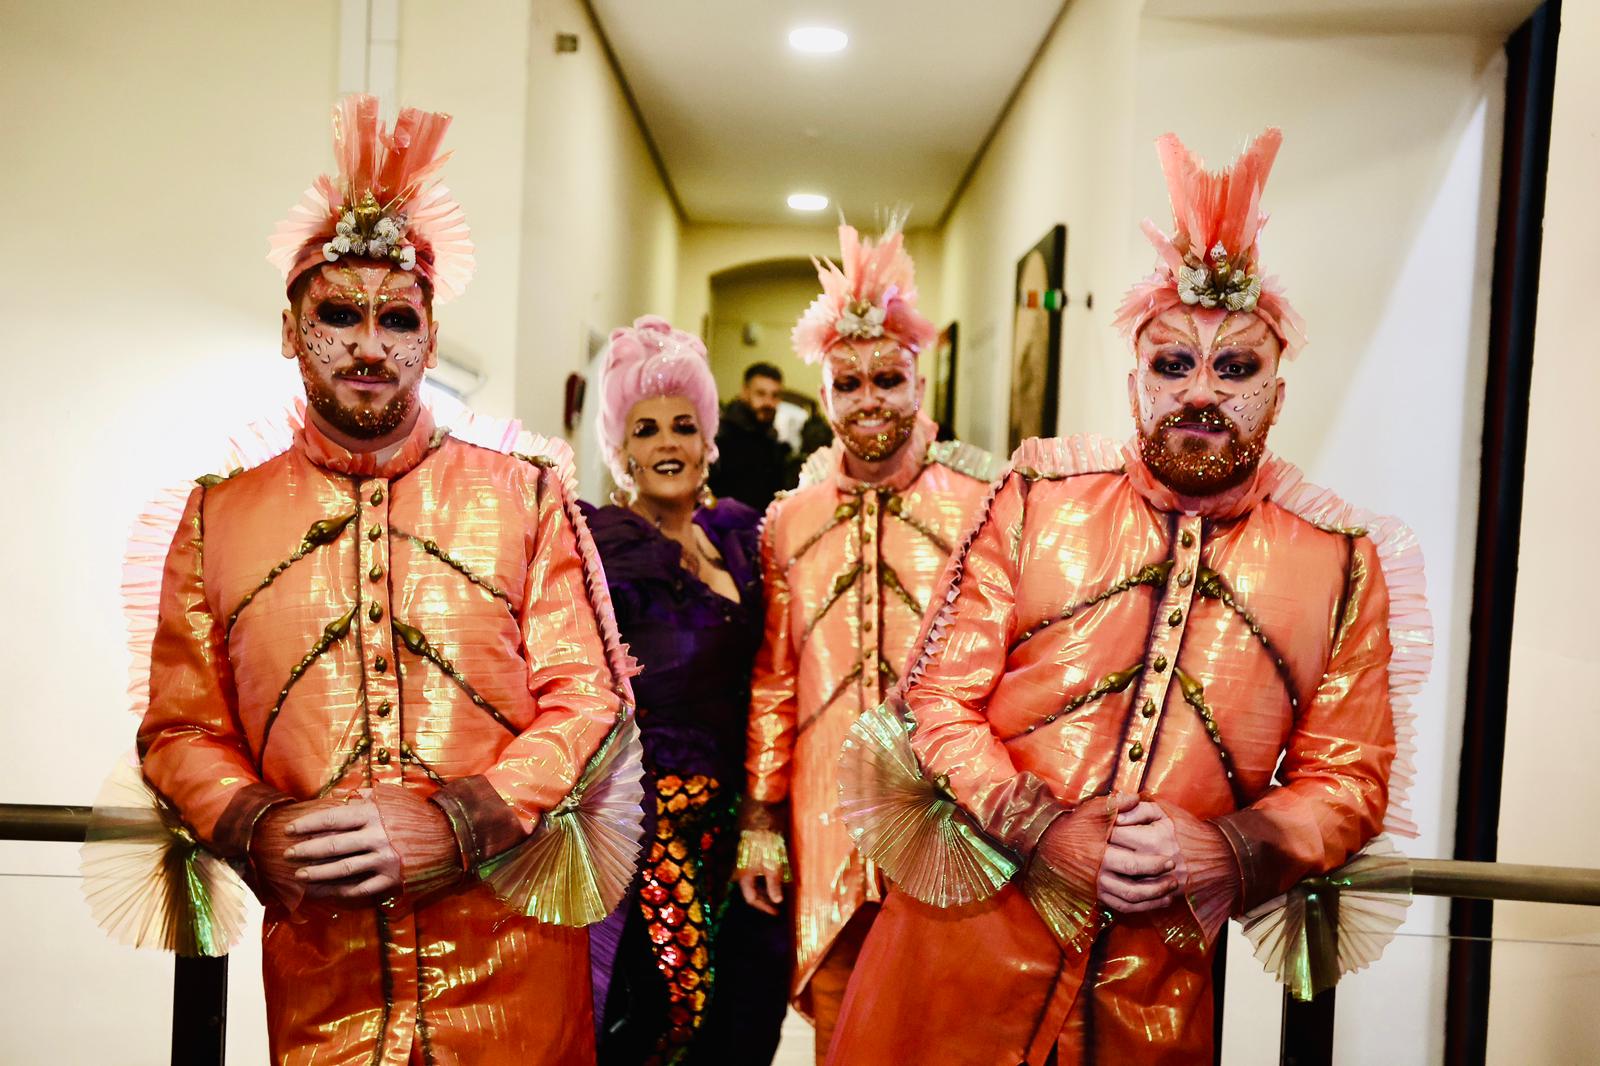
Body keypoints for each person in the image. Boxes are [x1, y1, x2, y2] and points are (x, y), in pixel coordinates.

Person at [826, 129, 1432, 1065]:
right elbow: (936, 701)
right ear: (1134, 380)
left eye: (1235, 370)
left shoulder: (1340, 565)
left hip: (1153, 984)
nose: (1201, 392)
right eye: (1171, 365)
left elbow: (1349, 779)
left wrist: (1227, 849)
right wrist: (1043, 827)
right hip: (961, 949)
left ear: (1276, 392)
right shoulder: (1035, 502)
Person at [132, 94, 639, 1064]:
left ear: (430, 337)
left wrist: (462, 820)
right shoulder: (218, 518)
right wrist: (255, 825)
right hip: (327, 962)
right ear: (291, 330)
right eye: (336, 316)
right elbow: (179, 726)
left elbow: (590, 700)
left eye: (397, 320)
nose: (369, 346)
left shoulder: (523, 497)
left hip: (511, 952)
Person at [733, 218, 1002, 1060]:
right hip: (823, 817)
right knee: (843, 1030)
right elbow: (776, 677)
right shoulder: (791, 521)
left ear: (922, 381)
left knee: (950, 1027)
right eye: (849, 382)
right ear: (825, 393)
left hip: (951, 816)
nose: (870, 399)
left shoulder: (983, 506)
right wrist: (760, 816)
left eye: (889, 377)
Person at [584, 315, 789, 1066]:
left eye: (683, 425)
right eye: (646, 430)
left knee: (744, 1016)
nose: (667, 443)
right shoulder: (603, 548)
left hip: (743, 825)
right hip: (650, 833)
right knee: (662, 1019)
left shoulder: (739, 536)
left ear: (709, 441)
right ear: (621, 450)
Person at [709, 362, 791, 510]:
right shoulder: (720, 436)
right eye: (761, 393)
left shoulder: (772, 441)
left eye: (775, 395)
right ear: (745, 392)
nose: (768, 402)